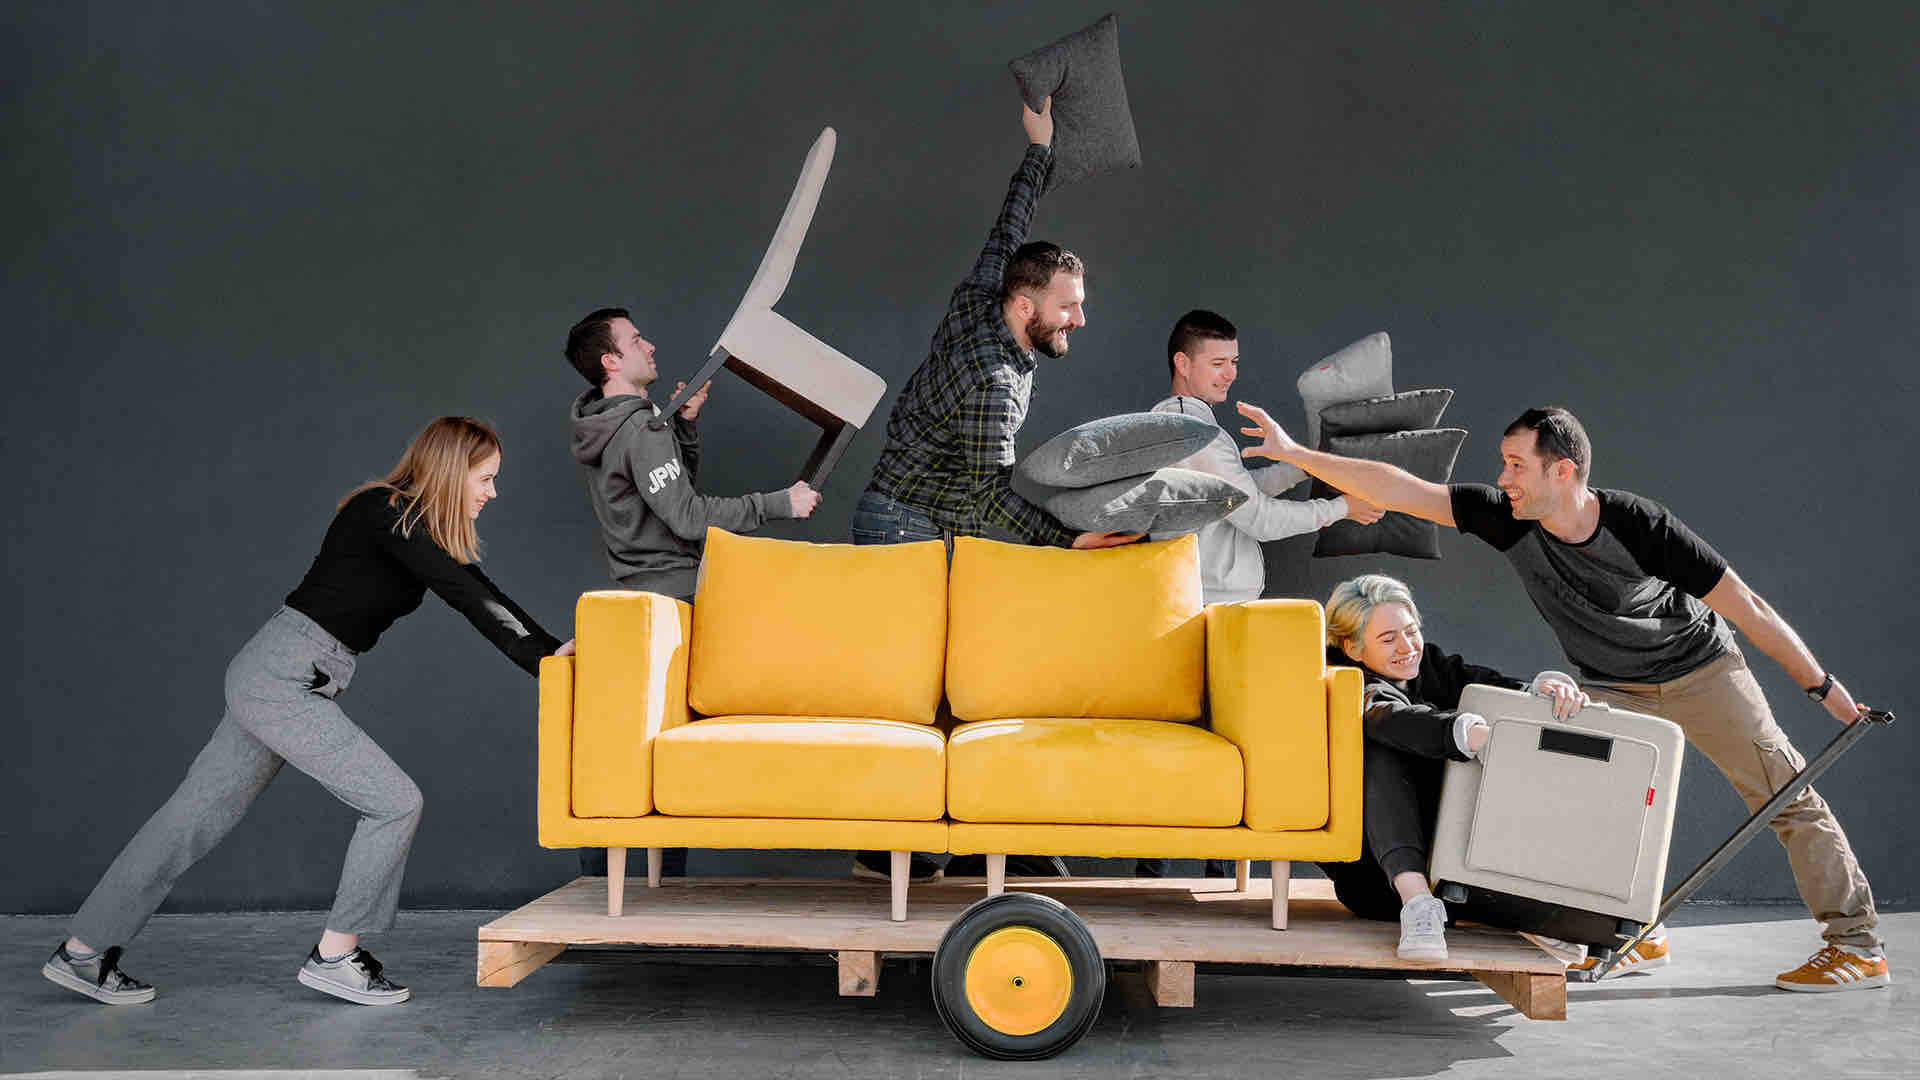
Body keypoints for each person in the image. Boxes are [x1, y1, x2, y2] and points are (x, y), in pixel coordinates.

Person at [1238, 402, 1889, 991]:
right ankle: (1634, 933)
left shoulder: (1640, 525)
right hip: (1609, 682)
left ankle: (1857, 945)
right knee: (1589, 811)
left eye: (1517, 465)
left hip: (1699, 669)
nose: (1505, 478)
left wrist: (1822, 686)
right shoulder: (1508, 519)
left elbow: (1746, 605)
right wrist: (1295, 453)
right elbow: (1399, 488)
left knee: (1783, 793)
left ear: (1563, 471)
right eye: (1504, 464)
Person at [45, 417, 572, 1007]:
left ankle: (81, 952)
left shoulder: (414, 529)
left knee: (191, 818)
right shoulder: (383, 511)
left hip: (282, 675)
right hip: (282, 677)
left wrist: (551, 652)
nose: (493, 493)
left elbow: (475, 587)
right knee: (394, 802)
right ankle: (336, 956)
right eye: (486, 478)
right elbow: (468, 595)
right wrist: (545, 657)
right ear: (452, 471)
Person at [850, 96, 1136, 883]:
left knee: (951, 682)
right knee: (921, 690)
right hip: (909, 529)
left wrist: (1037, 153)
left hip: (909, 515)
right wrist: (1069, 540)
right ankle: (897, 847)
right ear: (1026, 305)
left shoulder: (981, 299)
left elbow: (1005, 234)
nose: (1079, 320)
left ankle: (975, 833)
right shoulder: (996, 384)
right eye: (1069, 307)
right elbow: (986, 497)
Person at [565, 307, 821, 880]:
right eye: (636, 340)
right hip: (678, 601)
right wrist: (778, 503)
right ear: (611, 360)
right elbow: (685, 517)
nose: (650, 345)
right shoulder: (640, 429)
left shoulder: (612, 425)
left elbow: (666, 495)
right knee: (685, 742)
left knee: (640, 747)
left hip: (642, 600)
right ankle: (661, 885)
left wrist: (683, 428)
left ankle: (617, 887)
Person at [1135, 309, 1382, 880]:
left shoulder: (1180, 424)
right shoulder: (1194, 430)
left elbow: (1241, 494)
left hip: (1201, 603)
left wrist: (1297, 461)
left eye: (1235, 362)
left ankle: (1176, 870)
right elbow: (1259, 520)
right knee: (1218, 738)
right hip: (1209, 608)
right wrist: (1340, 508)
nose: (1230, 374)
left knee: (1198, 737)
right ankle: (1203, 873)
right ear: (1182, 363)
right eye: (1218, 363)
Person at [1314, 574, 1590, 961]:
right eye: (1388, 639)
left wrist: (1538, 690)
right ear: (1353, 648)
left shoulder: (1427, 664)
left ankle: (1529, 914)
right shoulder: (1343, 682)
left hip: (1448, 865)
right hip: (1376, 879)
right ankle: (1419, 905)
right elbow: (1385, 715)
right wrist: (1465, 733)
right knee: (1382, 745)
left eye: (1411, 631)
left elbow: (1484, 686)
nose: (1407, 647)